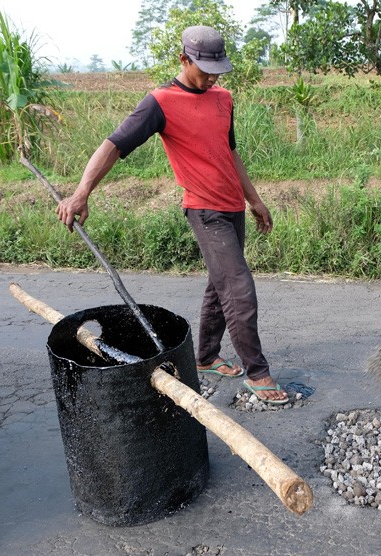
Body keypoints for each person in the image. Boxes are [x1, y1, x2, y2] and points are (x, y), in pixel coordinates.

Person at [57, 26, 288, 404]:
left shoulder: (224, 98)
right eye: (204, 67)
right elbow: (113, 145)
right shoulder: (159, 102)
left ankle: (208, 356)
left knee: (220, 285)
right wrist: (82, 192)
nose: (212, 75)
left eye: (218, 68)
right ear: (183, 59)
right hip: (203, 209)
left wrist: (255, 199)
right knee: (239, 290)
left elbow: (230, 153)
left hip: (232, 208)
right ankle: (258, 374)